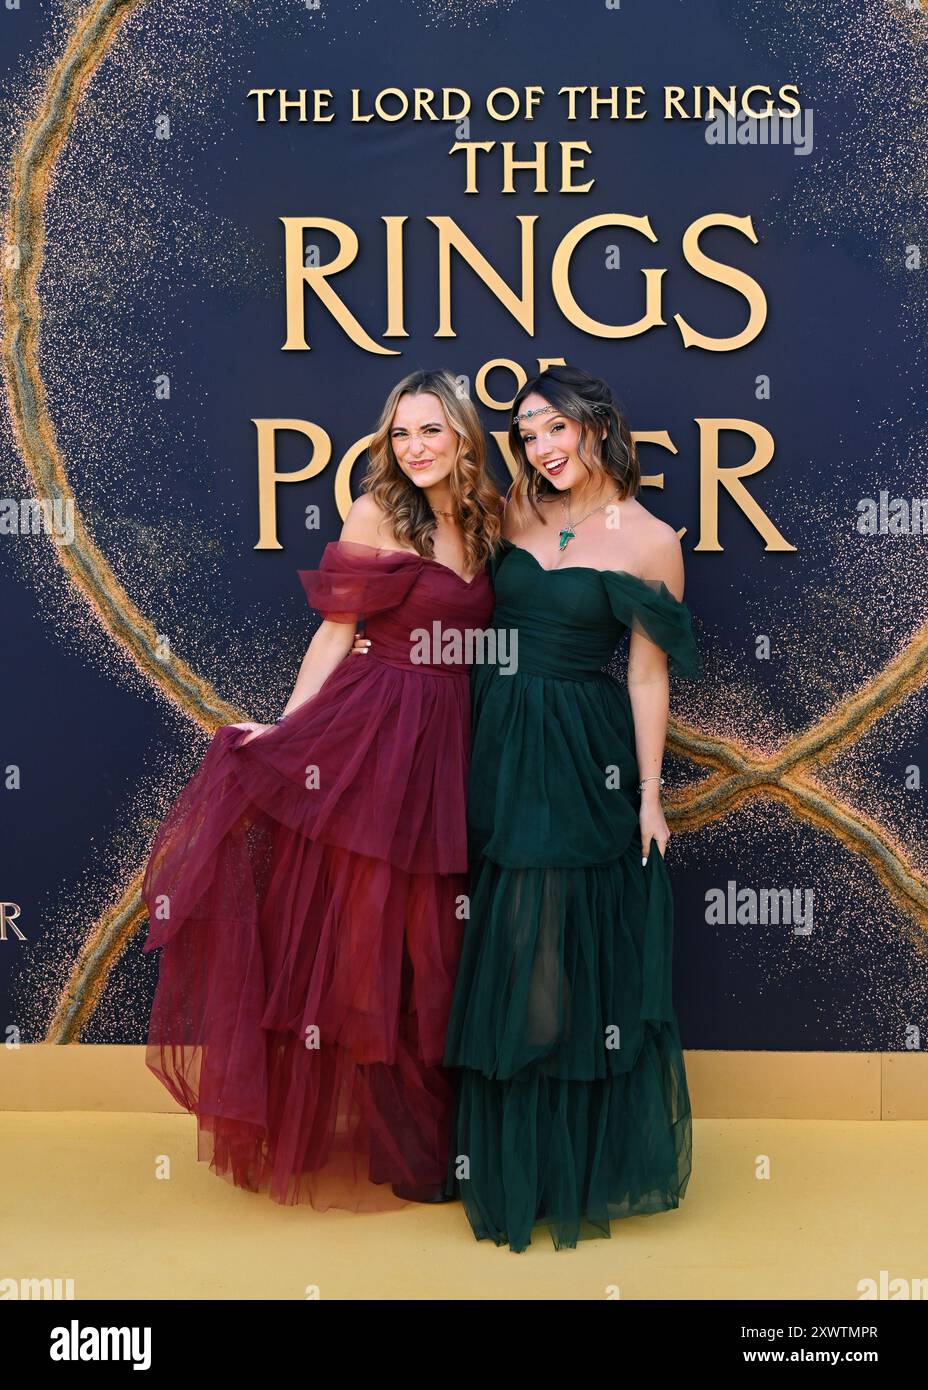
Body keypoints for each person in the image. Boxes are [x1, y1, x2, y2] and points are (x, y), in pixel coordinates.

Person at [355, 363, 702, 1249]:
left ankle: (559, 1167)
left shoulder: (652, 539)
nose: (542, 447)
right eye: (528, 433)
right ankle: (488, 1153)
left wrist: (651, 798)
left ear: (598, 427)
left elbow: (648, 674)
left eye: (557, 429)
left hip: (582, 753)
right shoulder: (506, 509)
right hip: (488, 738)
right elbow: (434, 584)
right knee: (493, 934)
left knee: (555, 937)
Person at [141, 368, 499, 1210]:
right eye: (400, 433)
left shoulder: (486, 522)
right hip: (376, 733)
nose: (413, 448)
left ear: (462, 438)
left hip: (451, 738)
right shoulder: (380, 513)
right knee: (373, 940)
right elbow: (335, 632)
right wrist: (292, 733)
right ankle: (402, 1144)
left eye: (429, 432)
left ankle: (440, 1134)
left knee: (437, 943)